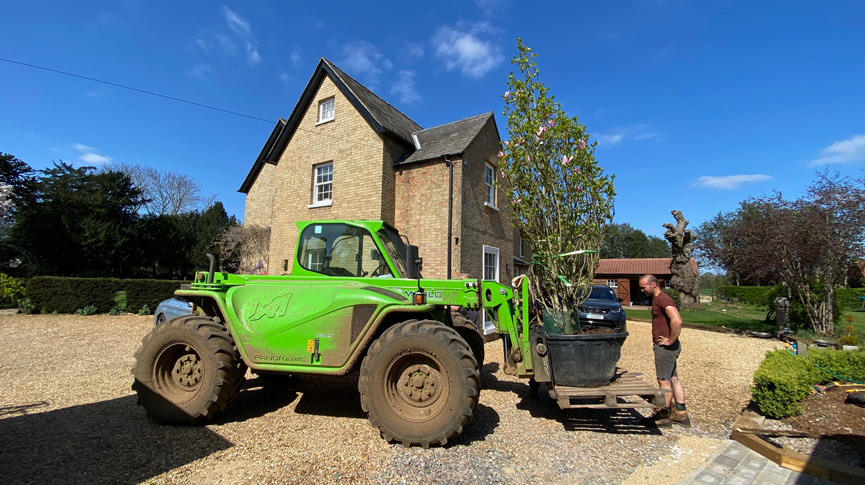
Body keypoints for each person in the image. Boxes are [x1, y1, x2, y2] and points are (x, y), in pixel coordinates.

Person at [638, 274, 691, 428]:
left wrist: (670, 340)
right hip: (669, 347)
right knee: (674, 378)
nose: (642, 290)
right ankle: (680, 413)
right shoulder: (658, 299)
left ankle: (663, 416)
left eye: (644, 287)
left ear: (653, 285)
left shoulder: (663, 299)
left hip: (665, 348)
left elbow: (677, 320)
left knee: (664, 380)